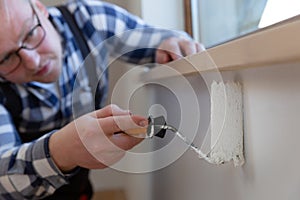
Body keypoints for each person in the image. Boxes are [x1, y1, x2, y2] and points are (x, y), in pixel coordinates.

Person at [0, 0, 204, 199]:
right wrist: (60, 151)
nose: (32, 61)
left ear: (40, 9)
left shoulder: (87, 19)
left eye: (30, 34)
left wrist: (171, 44)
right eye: (7, 58)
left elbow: (159, 40)